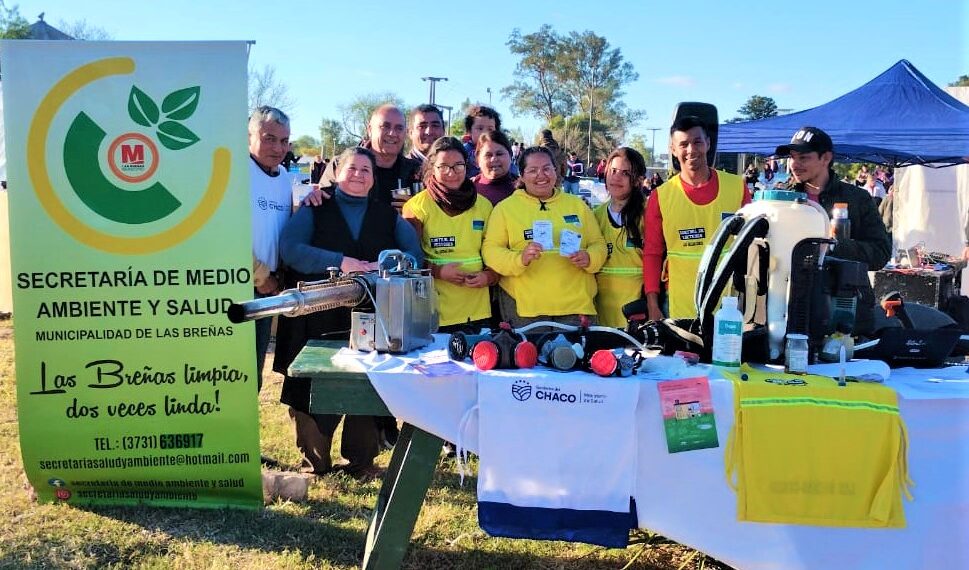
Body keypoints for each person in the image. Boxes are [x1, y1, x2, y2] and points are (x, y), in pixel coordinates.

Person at [274, 146, 422, 478]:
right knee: (310, 385)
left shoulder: (388, 216)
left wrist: (388, 264)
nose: (358, 175)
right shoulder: (314, 207)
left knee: (369, 385)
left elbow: (414, 256)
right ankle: (315, 463)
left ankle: (361, 462)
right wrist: (344, 263)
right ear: (337, 173)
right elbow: (291, 248)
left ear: (373, 179)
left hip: (371, 315)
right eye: (351, 169)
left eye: (365, 171)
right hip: (316, 314)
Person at [776, 126, 892, 335]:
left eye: (803, 157)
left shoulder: (857, 198)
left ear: (826, 158)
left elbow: (881, 252)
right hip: (788, 309)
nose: (794, 164)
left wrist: (833, 246)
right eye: (792, 157)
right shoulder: (780, 198)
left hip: (845, 311)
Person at [482, 146, 607, 328]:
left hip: (576, 308)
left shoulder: (578, 205)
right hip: (525, 310)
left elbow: (598, 244)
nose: (541, 175)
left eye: (547, 168)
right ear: (522, 176)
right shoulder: (505, 209)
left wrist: (590, 258)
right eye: (533, 170)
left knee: (578, 356)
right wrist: (519, 259)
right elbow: (490, 250)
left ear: (555, 171)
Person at [643, 115, 751, 321]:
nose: (691, 150)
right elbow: (652, 253)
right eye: (683, 144)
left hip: (729, 306)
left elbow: (753, 248)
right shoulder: (662, 196)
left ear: (708, 144)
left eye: (697, 142)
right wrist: (652, 304)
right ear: (673, 149)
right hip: (678, 304)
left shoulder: (737, 187)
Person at [403, 137, 497, 331]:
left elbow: (496, 253)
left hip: (478, 313)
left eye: (458, 166)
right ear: (432, 167)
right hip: (433, 315)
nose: (451, 173)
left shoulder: (484, 206)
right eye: (443, 166)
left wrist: (489, 276)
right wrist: (439, 272)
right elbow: (408, 263)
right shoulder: (416, 207)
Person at [247, 106, 293, 390]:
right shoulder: (236, 173)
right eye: (269, 138)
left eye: (284, 141)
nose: (278, 148)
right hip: (243, 284)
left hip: (269, 289)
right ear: (249, 136)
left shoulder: (285, 177)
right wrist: (260, 275)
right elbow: (226, 233)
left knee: (253, 376)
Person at [318, 104, 421, 206]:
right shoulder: (341, 165)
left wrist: (414, 211)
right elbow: (322, 202)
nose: (392, 134)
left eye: (399, 128)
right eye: (385, 126)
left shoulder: (417, 172)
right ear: (370, 130)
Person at [593, 147, 647, 328]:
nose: (616, 177)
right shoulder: (594, 215)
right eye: (613, 171)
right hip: (601, 314)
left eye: (625, 173)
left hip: (637, 314)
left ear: (638, 180)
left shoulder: (648, 214)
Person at [471, 129, 518, 205]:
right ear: (477, 160)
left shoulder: (523, 187)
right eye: (488, 155)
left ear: (510, 155)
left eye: (499, 154)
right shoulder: (468, 189)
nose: (494, 159)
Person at [462, 105, 502, 177]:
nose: (485, 133)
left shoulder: (500, 151)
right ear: (469, 131)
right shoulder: (463, 150)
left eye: (490, 129)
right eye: (480, 128)